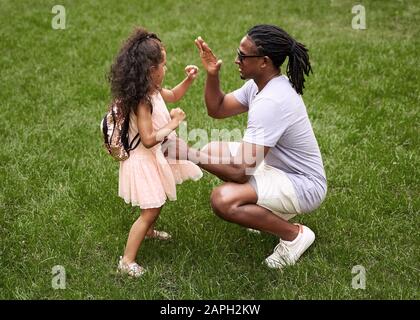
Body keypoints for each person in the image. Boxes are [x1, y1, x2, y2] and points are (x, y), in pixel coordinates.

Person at [166, 24, 327, 269]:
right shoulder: (260, 84)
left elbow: (241, 173)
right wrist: (212, 74)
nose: (236, 60)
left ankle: (294, 235)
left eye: (243, 56)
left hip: (303, 185)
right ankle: (265, 209)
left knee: (223, 200)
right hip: (278, 170)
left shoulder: (272, 101)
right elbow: (217, 109)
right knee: (212, 150)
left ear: (264, 61)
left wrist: (187, 153)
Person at [108, 27, 203, 277]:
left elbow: (172, 95)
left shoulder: (152, 90)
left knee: (156, 202)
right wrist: (173, 124)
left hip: (154, 158)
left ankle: (149, 232)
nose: (166, 69)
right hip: (144, 160)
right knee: (148, 211)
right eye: (164, 65)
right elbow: (149, 139)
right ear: (151, 71)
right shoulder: (142, 101)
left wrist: (189, 80)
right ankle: (126, 261)